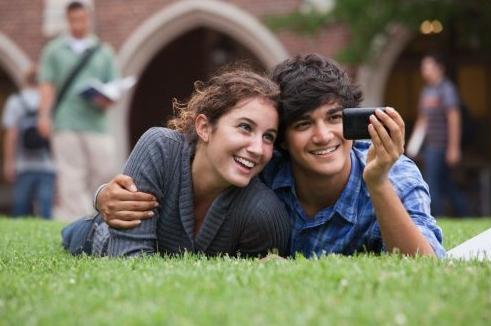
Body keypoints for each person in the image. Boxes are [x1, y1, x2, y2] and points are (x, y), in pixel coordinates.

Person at [93, 54, 445, 258]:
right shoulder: (263, 165)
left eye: (335, 118)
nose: (324, 136)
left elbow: (427, 266)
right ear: (285, 142)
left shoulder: (394, 172)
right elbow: (190, 161)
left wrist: (378, 183)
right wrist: (103, 196)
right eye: (304, 123)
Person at [61, 69, 291, 257]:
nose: (258, 149)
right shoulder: (160, 148)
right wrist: (99, 196)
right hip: (94, 236)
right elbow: (128, 261)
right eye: (245, 127)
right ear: (204, 127)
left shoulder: (263, 212)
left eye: (268, 136)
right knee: (78, 232)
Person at [37, 1, 119, 221]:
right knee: (71, 173)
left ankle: (97, 216)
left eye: (81, 19)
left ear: (89, 19)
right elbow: (47, 85)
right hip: (65, 121)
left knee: (103, 170)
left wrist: (105, 99)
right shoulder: (54, 50)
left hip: (97, 123)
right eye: (73, 20)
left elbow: (114, 87)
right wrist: (44, 115)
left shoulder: (104, 51)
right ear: (67, 20)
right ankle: (78, 221)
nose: (78, 24)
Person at [410, 53, 469, 217]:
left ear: (439, 68)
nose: (424, 71)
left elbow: (454, 119)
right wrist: (413, 145)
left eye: (427, 67)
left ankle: (437, 218)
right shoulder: (426, 91)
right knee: (447, 184)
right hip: (431, 146)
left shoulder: (447, 89)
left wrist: (454, 148)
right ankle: (465, 214)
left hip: (442, 146)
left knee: (433, 185)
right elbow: (422, 120)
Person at [2, 66, 56, 218]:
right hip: (48, 165)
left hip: (22, 165)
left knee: (20, 206)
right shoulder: (49, 101)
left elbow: (11, 135)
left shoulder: (16, 101)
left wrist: (8, 163)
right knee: (46, 208)